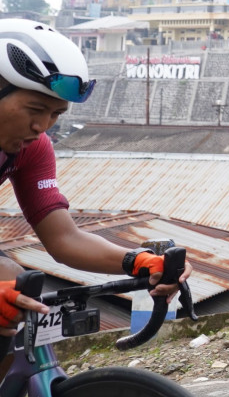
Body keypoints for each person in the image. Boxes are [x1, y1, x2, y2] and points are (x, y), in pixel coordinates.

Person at [0, 20, 190, 349]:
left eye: (56, 114)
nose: (42, 126)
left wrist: (139, 261)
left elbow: (65, 239)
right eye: (35, 109)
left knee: (18, 290)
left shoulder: (34, 147)